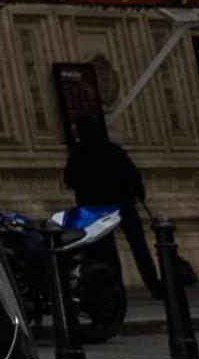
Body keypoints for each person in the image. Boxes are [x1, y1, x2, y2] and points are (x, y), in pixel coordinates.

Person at [64, 109, 155, 292]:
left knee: (107, 251)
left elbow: (70, 180)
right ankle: (153, 283)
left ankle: (115, 287)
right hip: (122, 203)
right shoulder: (113, 151)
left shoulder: (79, 155)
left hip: (96, 208)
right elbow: (132, 175)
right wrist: (137, 193)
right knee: (138, 246)